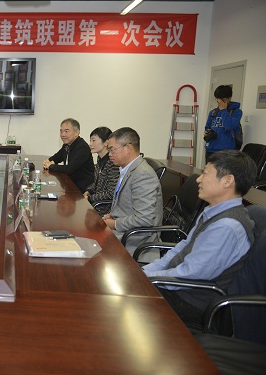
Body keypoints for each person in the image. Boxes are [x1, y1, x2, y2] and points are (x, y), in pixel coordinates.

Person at [143, 150, 256, 327]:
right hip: (176, 288)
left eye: (205, 173)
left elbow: (190, 275)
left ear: (227, 181)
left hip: (191, 302)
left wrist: (147, 277)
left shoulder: (227, 226)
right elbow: (184, 246)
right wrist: (147, 271)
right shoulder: (213, 211)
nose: (198, 179)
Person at [102, 127, 163, 255]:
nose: (109, 154)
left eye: (112, 149)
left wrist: (114, 223)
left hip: (135, 240)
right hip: (126, 232)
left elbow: (144, 219)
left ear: (128, 148)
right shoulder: (127, 169)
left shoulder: (143, 174)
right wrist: (113, 214)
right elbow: (128, 204)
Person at [42, 118, 94, 192]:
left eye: (66, 131)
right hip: (69, 185)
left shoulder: (82, 147)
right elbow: (56, 158)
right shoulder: (67, 145)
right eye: (61, 131)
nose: (63, 134)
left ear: (77, 132)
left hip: (82, 190)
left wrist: (50, 166)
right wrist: (47, 162)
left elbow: (69, 169)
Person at [83, 126, 120, 215]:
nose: (90, 144)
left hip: (105, 209)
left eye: (93, 140)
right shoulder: (100, 159)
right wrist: (89, 191)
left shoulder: (113, 163)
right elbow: (97, 183)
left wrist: (91, 198)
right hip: (96, 204)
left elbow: (112, 193)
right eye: (90, 140)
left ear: (106, 142)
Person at [204, 84, 242, 162]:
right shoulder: (213, 112)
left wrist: (223, 110)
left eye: (223, 99)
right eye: (218, 98)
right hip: (210, 150)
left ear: (229, 98)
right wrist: (207, 133)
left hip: (226, 152)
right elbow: (207, 127)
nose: (220, 101)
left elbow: (228, 126)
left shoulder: (236, 112)